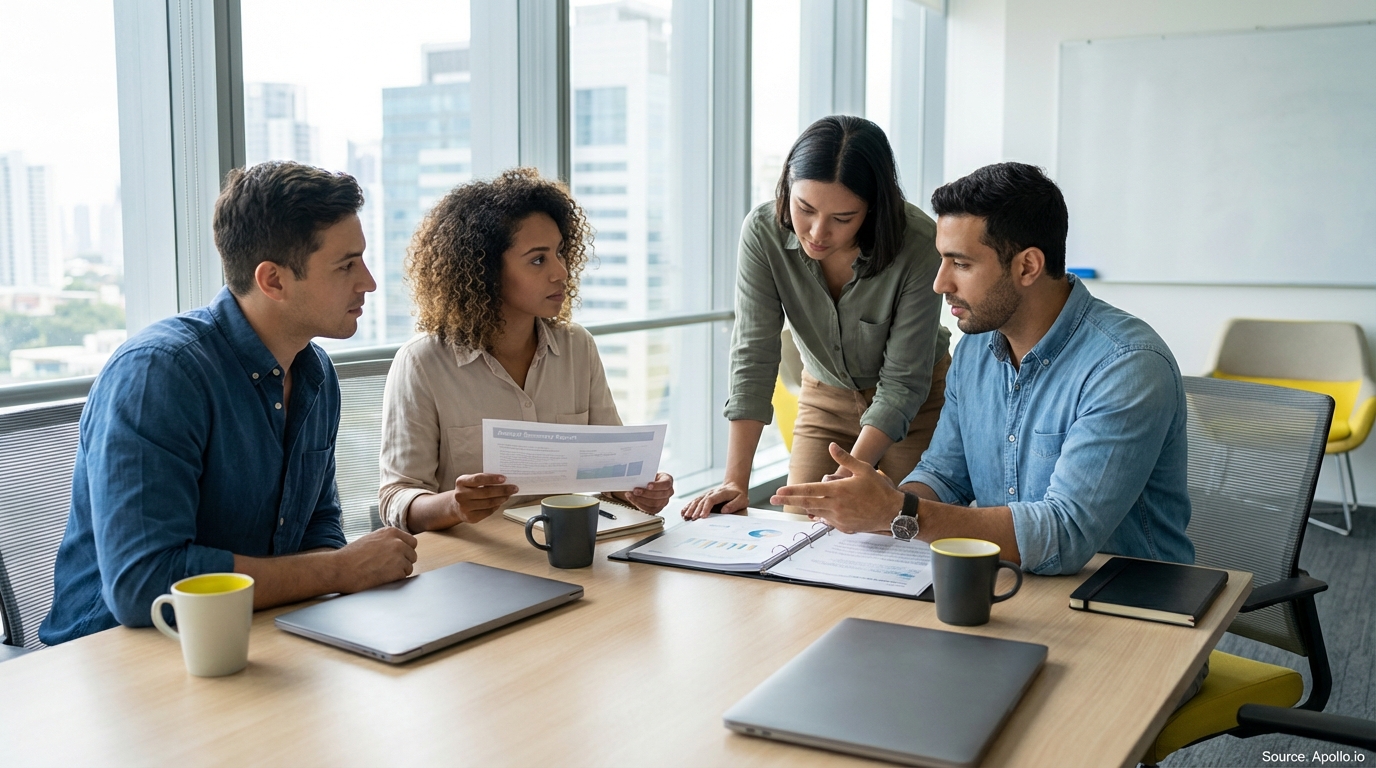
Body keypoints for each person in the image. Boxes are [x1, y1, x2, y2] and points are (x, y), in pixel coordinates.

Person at [40, 161, 419, 645]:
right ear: (273, 281)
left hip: (253, 636)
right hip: (116, 655)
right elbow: (143, 584)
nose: (367, 281)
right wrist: (336, 572)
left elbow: (316, 524)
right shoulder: (160, 373)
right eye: (346, 265)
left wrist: (334, 600)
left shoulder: (315, 371)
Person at [771, 162, 1195, 575]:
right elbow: (943, 476)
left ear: (1027, 266)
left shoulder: (1126, 367)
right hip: (1014, 586)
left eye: (961, 263)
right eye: (941, 260)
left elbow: (1065, 535)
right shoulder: (976, 349)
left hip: (1132, 608)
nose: (940, 283)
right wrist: (877, 506)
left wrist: (900, 511)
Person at [682, 116, 950, 519]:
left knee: (902, 531)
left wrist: (851, 477)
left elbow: (903, 382)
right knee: (800, 531)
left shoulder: (918, 243)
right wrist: (735, 480)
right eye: (805, 208)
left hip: (918, 404)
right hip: (825, 398)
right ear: (787, 185)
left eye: (843, 218)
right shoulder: (762, 233)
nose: (817, 232)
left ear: (874, 209)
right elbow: (754, 354)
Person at [378, 168, 674, 533]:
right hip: (472, 566)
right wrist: (454, 505)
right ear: (484, 269)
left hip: (566, 550)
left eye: (560, 253)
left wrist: (640, 490)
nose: (561, 272)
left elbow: (611, 474)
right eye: (538, 259)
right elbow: (397, 499)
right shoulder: (422, 363)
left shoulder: (577, 347)